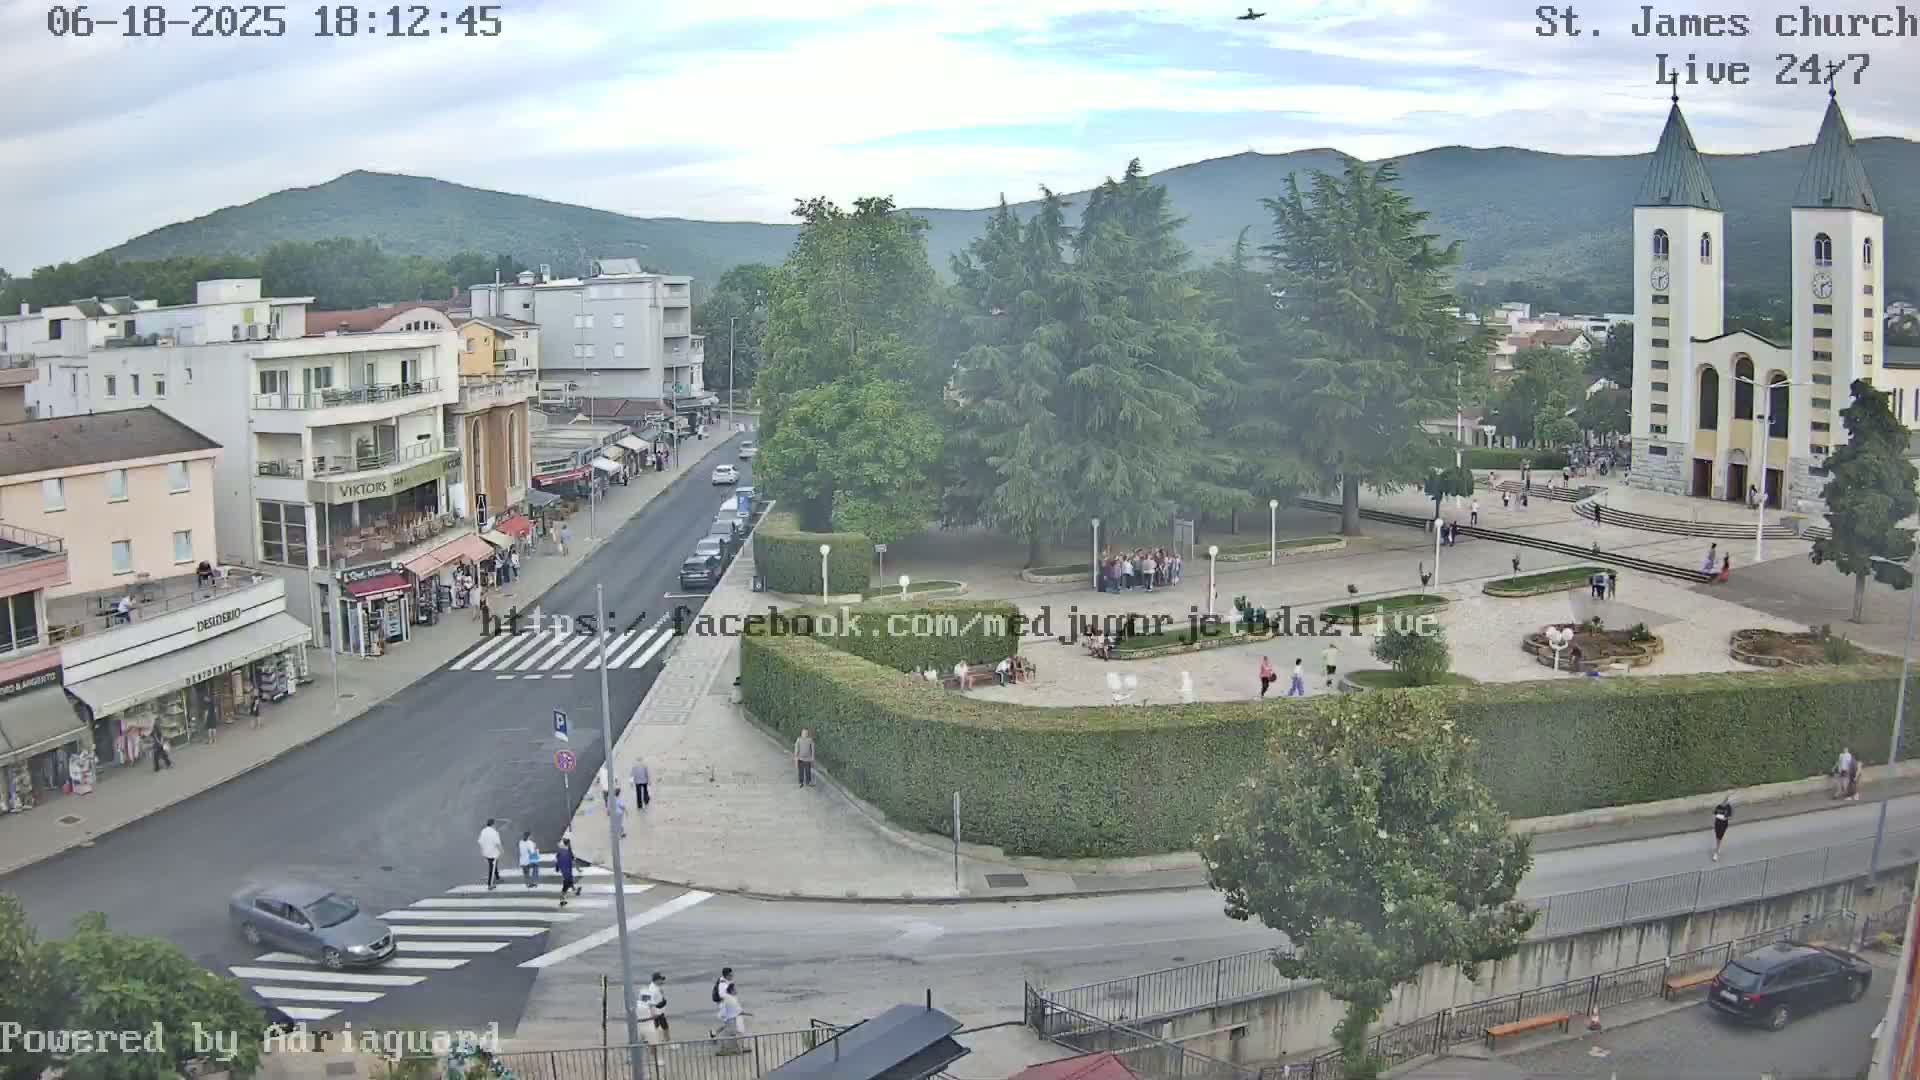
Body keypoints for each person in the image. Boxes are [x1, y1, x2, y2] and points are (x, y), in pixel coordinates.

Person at [640, 973, 670, 1043]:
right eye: (661, 980)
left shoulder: (656, 987)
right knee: (663, 1027)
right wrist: (659, 1006)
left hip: (658, 1012)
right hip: (656, 1013)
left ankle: (643, 1040)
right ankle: (667, 1041)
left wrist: (662, 999)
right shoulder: (653, 989)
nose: (662, 981)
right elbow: (650, 1003)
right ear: (656, 980)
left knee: (660, 1027)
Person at [479, 819, 503, 890]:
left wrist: (482, 852)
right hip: (493, 852)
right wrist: (502, 850)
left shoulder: (483, 831)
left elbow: (480, 842)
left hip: (486, 852)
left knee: (493, 865)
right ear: (493, 824)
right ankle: (490, 884)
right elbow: (497, 843)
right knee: (492, 867)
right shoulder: (494, 832)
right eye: (495, 824)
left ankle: (497, 877)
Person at [555, 837, 580, 905]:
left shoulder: (561, 851)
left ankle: (575, 891)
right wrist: (578, 869)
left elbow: (557, 859)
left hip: (564, 870)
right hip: (567, 870)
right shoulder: (568, 851)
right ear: (568, 844)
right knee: (566, 886)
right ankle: (562, 899)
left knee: (568, 883)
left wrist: (557, 867)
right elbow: (573, 860)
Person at [1712, 796, 1732, 861]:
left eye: (1726, 801)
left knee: (1719, 838)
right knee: (1717, 837)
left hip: (1723, 825)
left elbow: (1729, 817)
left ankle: (1716, 853)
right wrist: (1717, 815)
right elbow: (1714, 812)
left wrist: (1724, 818)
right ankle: (1718, 847)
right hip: (1717, 823)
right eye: (1724, 801)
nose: (1724, 802)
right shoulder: (1719, 806)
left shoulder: (1728, 808)